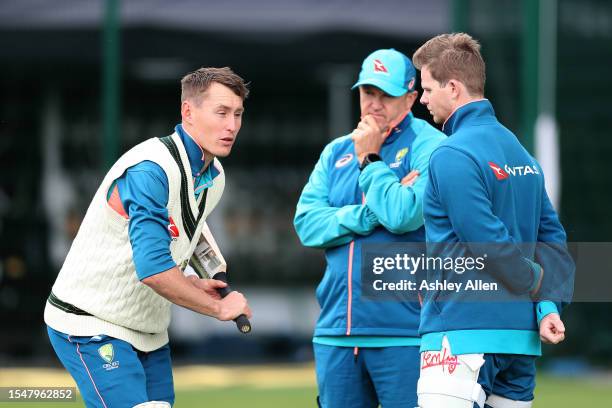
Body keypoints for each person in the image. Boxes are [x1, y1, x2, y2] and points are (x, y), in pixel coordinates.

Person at [44, 67, 252, 408]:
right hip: (90, 321)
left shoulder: (214, 175)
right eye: (221, 112)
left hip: (149, 329)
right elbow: (154, 269)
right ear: (188, 112)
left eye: (238, 114)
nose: (232, 125)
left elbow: (185, 230)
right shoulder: (150, 171)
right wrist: (218, 307)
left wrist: (192, 280)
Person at [412, 33, 574, 408]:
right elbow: (552, 236)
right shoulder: (520, 151)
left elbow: (485, 238)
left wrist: (534, 281)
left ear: (453, 88)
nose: (422, 99)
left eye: (427, 88)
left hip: (461, 335)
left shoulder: (450, 153)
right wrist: (549, 305)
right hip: (519, 341)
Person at [294, 49, 445, 407]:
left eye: (386, 95)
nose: (374, 104)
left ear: (411, 98)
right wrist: (368, 214)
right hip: (336, 331)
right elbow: (307, 224)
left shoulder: (432, 146)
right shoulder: (336, 151)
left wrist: (369, 159)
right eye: (367, 93)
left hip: (405, 332)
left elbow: (406, 215)